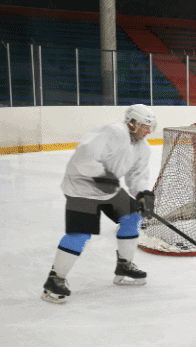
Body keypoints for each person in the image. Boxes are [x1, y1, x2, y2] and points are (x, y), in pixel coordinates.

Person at [41, 104, 158, 304]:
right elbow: (83, 156)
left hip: (108, 190)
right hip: (82, 188)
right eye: (146, 126)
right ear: (132, 123)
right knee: (80, 233)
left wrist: (142, 195)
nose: (149, 131)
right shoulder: (113, 132)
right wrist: (101, 175)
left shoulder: (142, 147)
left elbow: (137, 176)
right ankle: (55, 280)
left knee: (132, 216)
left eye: (151, 127)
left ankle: (124, 266)